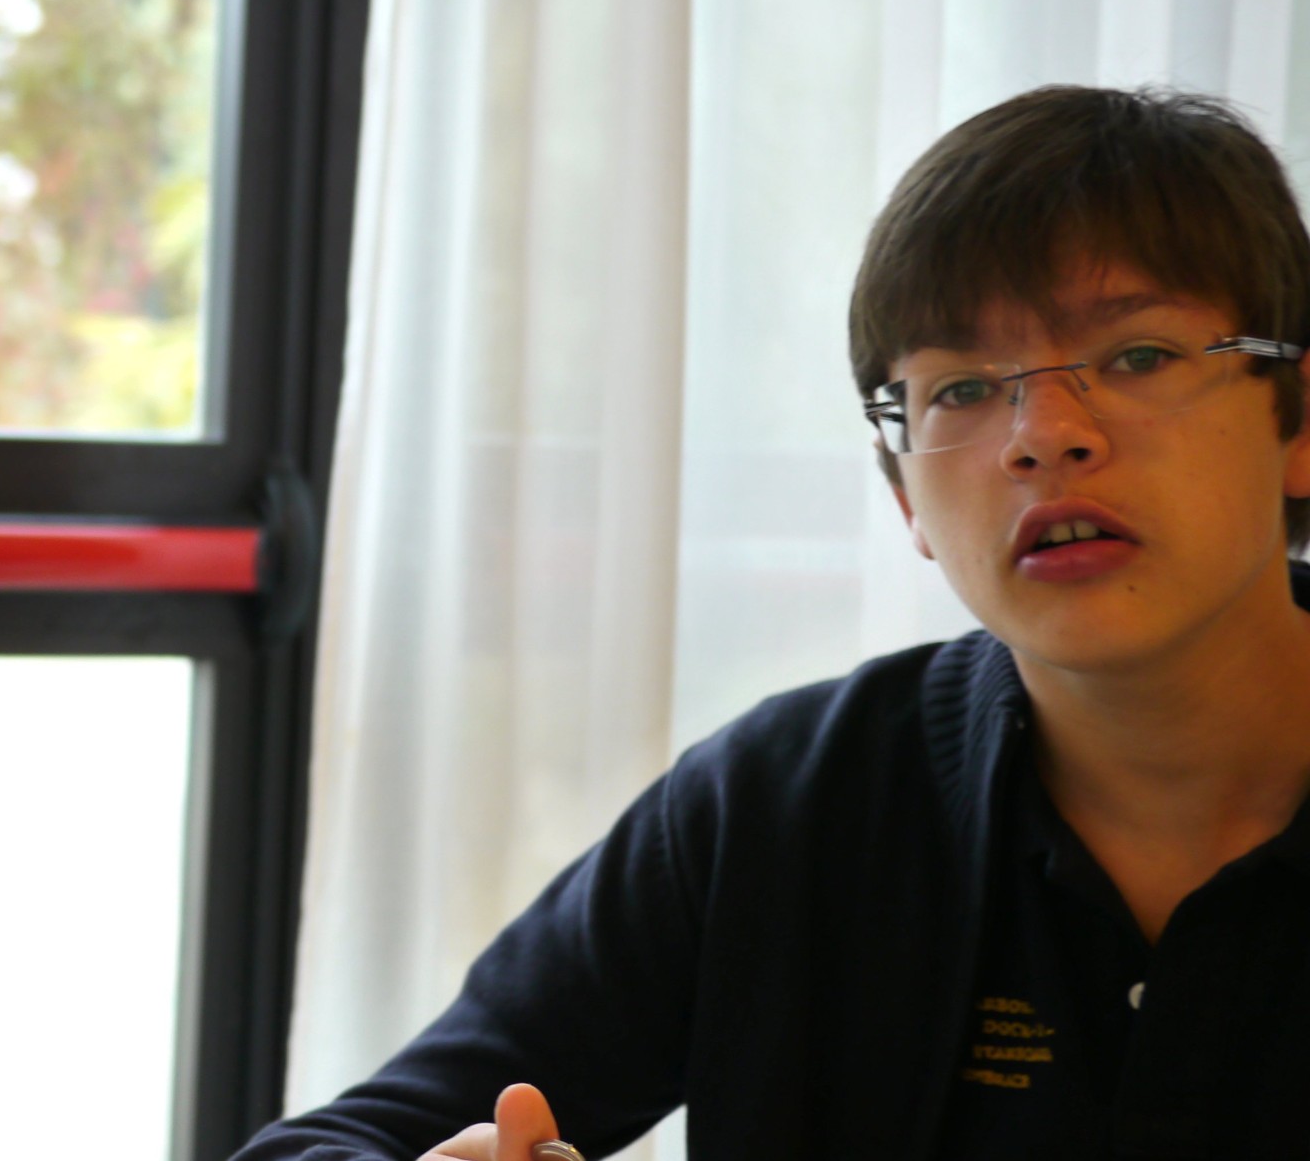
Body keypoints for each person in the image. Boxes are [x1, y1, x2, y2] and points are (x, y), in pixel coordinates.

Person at [235, 85, 1310, 1160]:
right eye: (961, 389)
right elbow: (345, 1137)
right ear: (904, 495)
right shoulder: (788, 803)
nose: (1043, 435)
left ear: (1299, 424)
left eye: (1138, 356)